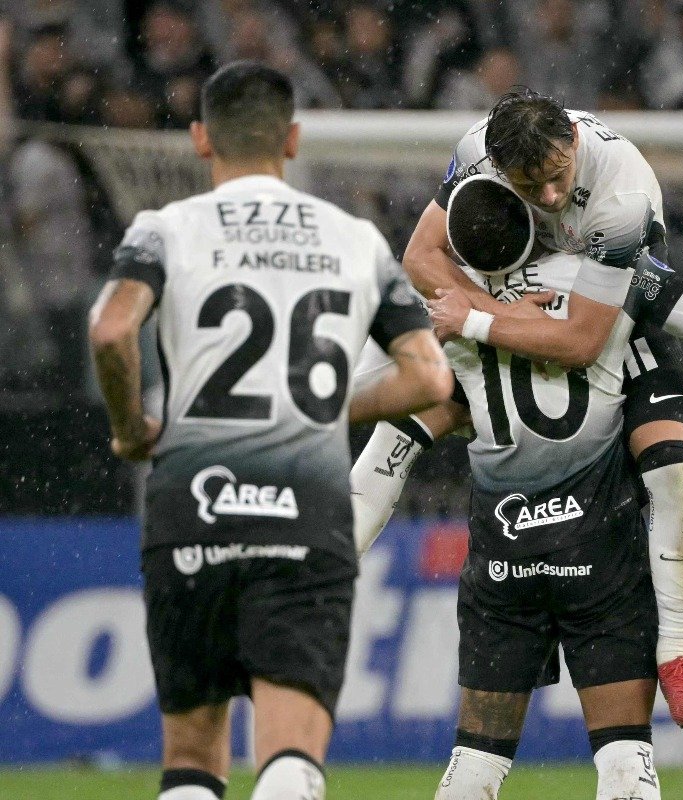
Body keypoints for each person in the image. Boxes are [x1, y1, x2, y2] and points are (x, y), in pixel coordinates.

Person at [88, 61, 451, 800]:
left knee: (190, 761)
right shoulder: (354, 240)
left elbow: (110, 329)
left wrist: (130, 429)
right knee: (291, 758)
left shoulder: (166, 229)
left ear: (198, 140)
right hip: (305, 514)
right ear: (292, 138)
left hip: (192, 504)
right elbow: (429, 381)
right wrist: (314, 410)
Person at [365, 87, 683, 726]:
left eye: (559, 177)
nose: (552, 199)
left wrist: (479, 319)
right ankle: (328, 576)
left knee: (670, 468)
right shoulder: (478, 150)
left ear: (575, 145)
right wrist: (495, 312)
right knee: (395, 423)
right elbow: (421, 255)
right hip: (512, 313)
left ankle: (676, 650)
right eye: (533, 186)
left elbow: (582, 341)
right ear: (499, 170)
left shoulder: (622, 197)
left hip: (617, 322)